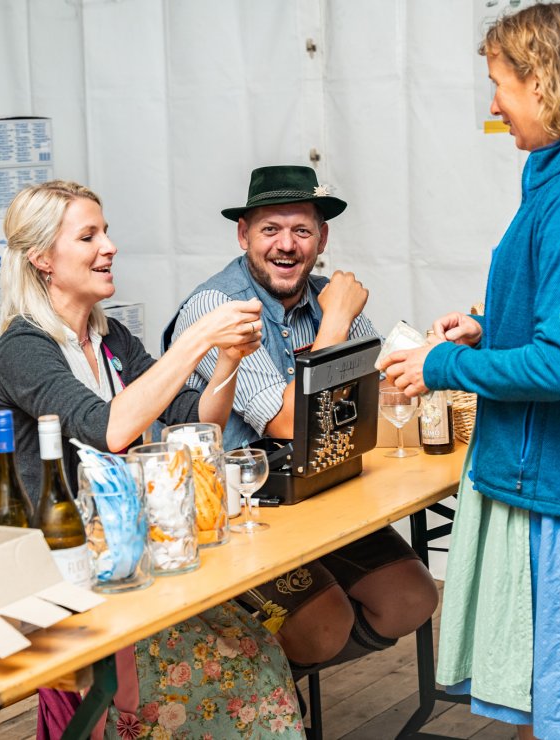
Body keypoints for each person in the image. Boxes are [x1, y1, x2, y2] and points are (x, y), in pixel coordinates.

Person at [379, 5, 560, 739]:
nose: (494, 104)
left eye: (499, 84)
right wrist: (489, 327)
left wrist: (444, 363)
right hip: (559, 476)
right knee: (555, 699)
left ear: (541, 82)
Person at [0, 180, 304, 739]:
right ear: (42, 259)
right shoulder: (24, 349)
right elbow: (107, 429)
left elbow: (197, 422)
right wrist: (196, 339)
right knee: (239, 675)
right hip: (68, 578)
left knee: (257, 653)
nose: (109, 247)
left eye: (106, 232)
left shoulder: (110, 339)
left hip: (132, 559)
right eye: (88, 236)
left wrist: (228, 359)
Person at [164, 164, 439, 678]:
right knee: (323, 625)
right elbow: (289, 422)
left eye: (302, 230)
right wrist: (334, 323)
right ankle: (260, 692)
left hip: (320, 494)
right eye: (270, 229)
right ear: (243, 234)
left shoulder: (326, 295)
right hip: (242, 513)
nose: (286, 245)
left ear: (322, 238)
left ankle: (277, 672)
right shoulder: (219, 305)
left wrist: (430, 356)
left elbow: (377, 395)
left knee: (411, 598)